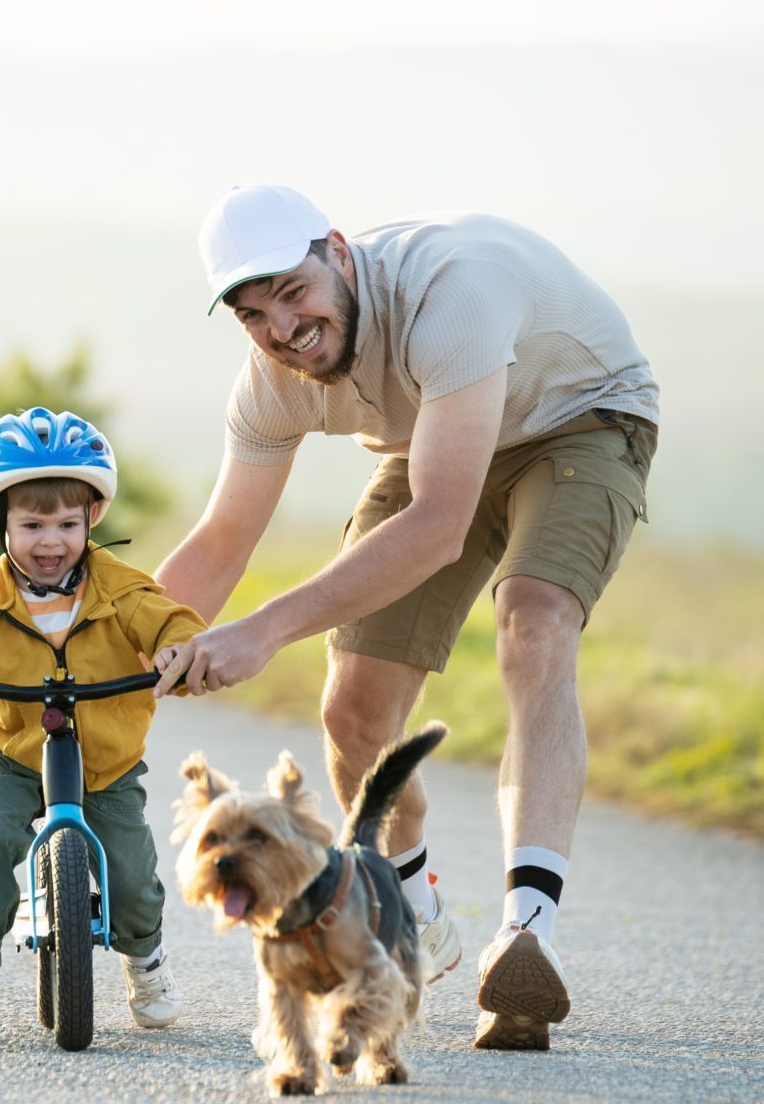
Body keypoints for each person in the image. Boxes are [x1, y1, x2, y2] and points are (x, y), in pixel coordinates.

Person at [152, 185, 658, 1052]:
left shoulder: (450, 293)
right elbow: (221, 540)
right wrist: (110, 654)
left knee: (532, 623)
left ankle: (524, 933)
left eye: (292, 290)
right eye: (252, 312)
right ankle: (417, 908)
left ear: (340, 253)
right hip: (433, 443)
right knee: (353, 709)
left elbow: (438, 526)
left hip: (578, 420)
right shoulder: (273, 381)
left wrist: (263, 629)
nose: (282, 326)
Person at [0, 408, 207, 1027]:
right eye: (33, 523)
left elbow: (168, 618)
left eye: (68, 523)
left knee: (130, 870)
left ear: (92, 518)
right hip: (13, 754)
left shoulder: (121, 588)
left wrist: (180, 647)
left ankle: (145, 963)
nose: (51, 541)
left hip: (107, 760)